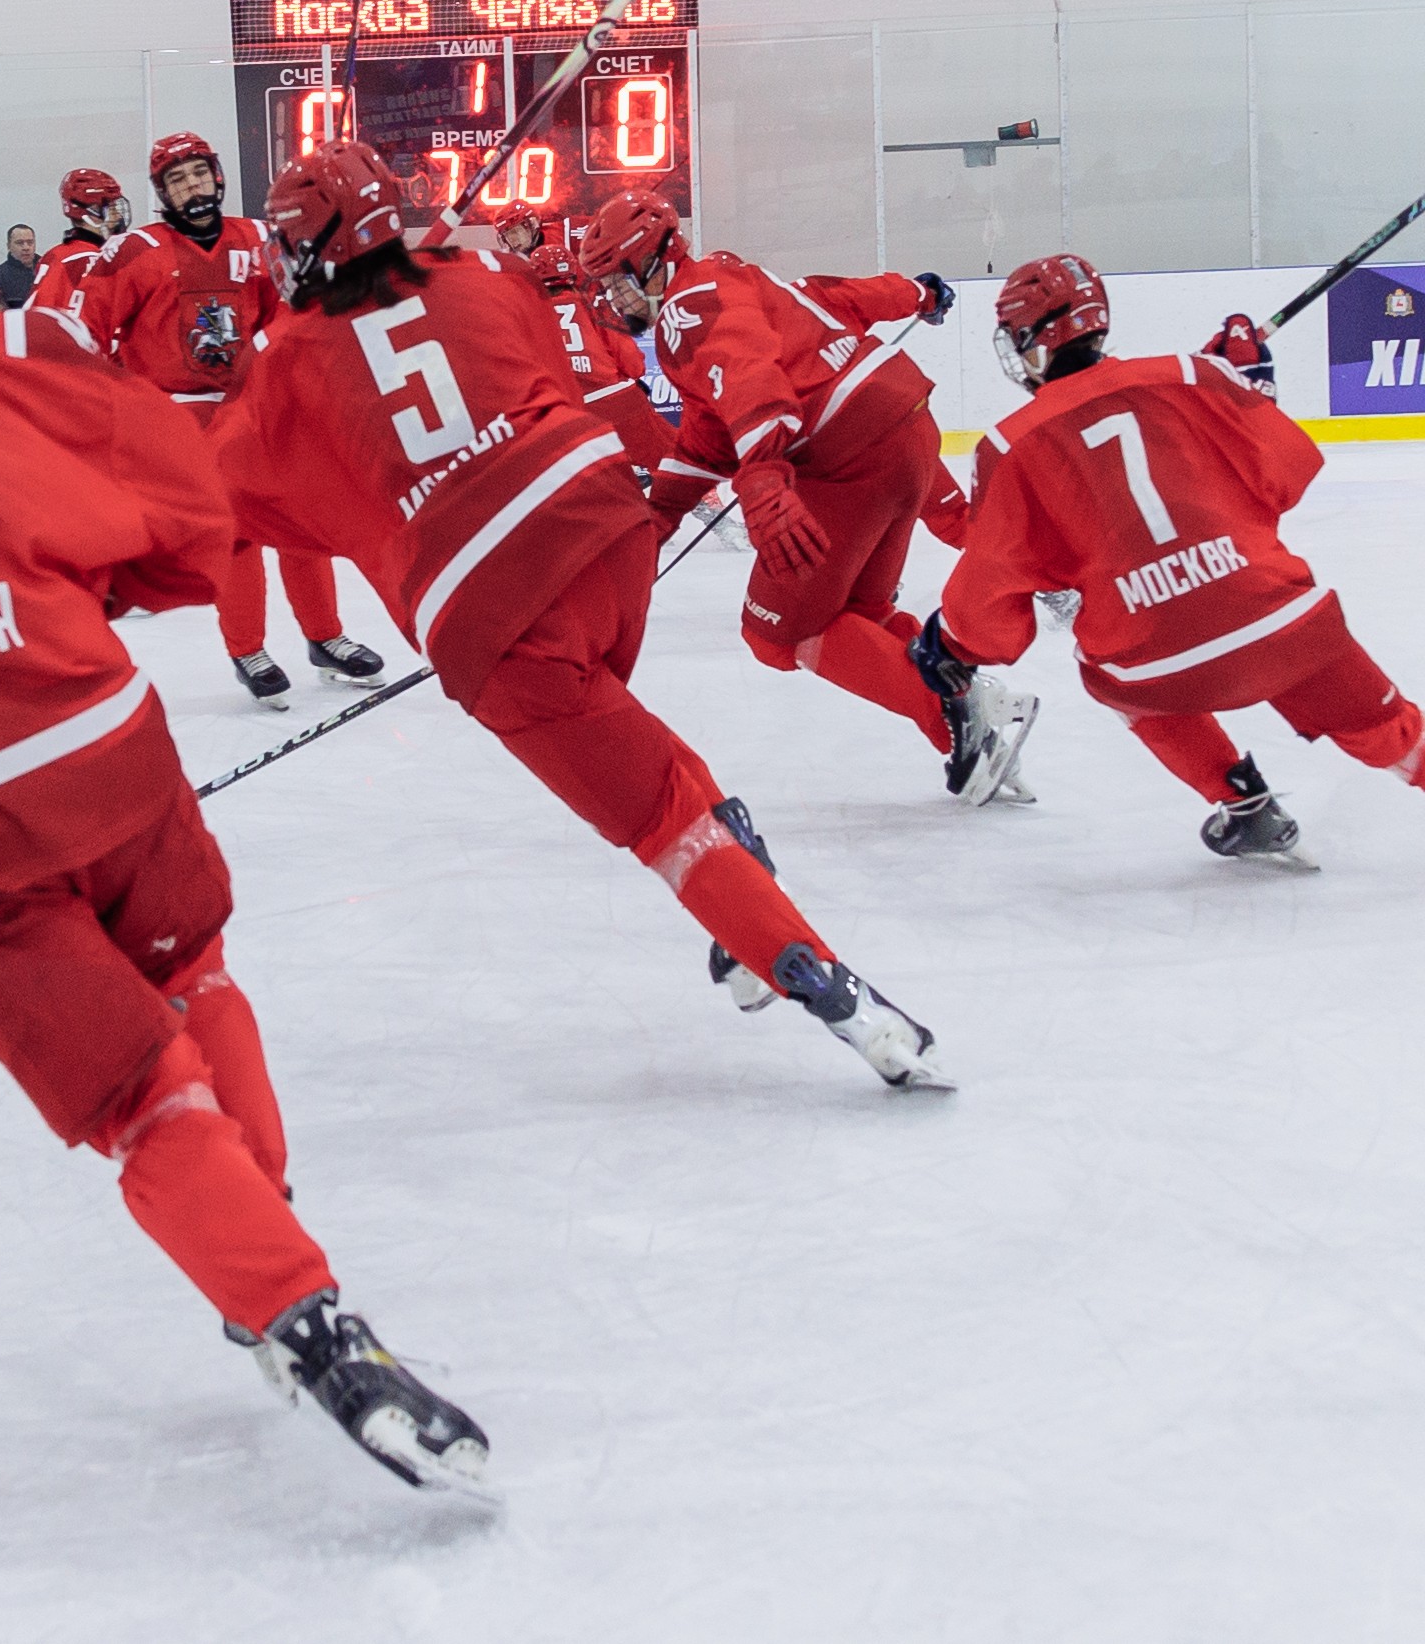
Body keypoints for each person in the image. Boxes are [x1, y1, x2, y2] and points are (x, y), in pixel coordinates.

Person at [0, 152, 489, 1493]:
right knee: (195, 973)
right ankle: (262, 1229)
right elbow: (187, 515)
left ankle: (297, 1312)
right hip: (89, 743)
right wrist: (87, 592)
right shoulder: (2, 336)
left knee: (138, 1100)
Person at [214, 139, 949, 1086]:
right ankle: (741, 857)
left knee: (657, 817)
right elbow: (523, 344)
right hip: (604, 530)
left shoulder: (282, 363)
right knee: (626, 724)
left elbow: (238, 502)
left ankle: (819, 980)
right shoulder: (479, 267)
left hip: (493, 613)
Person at [916, 251, 1425, 879]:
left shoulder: (1007, 443)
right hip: (1282, 620)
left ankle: (1244, 804)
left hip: (1154, 658)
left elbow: (999, 594)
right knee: (1395, 732)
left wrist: (951, 643)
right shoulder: (1190, 375)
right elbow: (1286, 469)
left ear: (1036, 338)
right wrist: (1244, 384)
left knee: (1117, 679)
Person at [578, 193, 1035, 808]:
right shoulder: (735, 275)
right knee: (856, 613)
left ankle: (957, 714)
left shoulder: (686, 309)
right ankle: (964, 696)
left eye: (616, 280)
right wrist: (917, 295)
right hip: (905, 433)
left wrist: (763, 475)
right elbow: (838, 300)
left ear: (653, 260)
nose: (612, 299)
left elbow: (748, 379)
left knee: (776, 636)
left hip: (847, 457)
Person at [82, 132, 386, 708]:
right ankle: (247, 647)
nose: (191, 186)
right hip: (179, 415)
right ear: (162, 194)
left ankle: (325, 637)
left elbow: (287, 319)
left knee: (301, 521)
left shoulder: (256, 238)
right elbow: (81, 327)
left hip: (254, 404)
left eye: (198, 173)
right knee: (238, 531)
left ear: (217, 176)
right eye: (177, 180)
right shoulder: (136, 251)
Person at [527, 241, 674, 474]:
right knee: (675, 458)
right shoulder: (592, 303)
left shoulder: (527, 315)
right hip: (616, 399)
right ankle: (708, 501)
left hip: (569, 415)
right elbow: (631, 360)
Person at [28, 168, 128, 314]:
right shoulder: (90, 260)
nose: (117, 216)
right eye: (111, 208)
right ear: (91, 211)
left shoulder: (55, 254)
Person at [0, 224, 40, 308]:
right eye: (20, 243)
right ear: (9, 246)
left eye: (30, 242)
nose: (26, 247)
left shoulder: (49, 269)